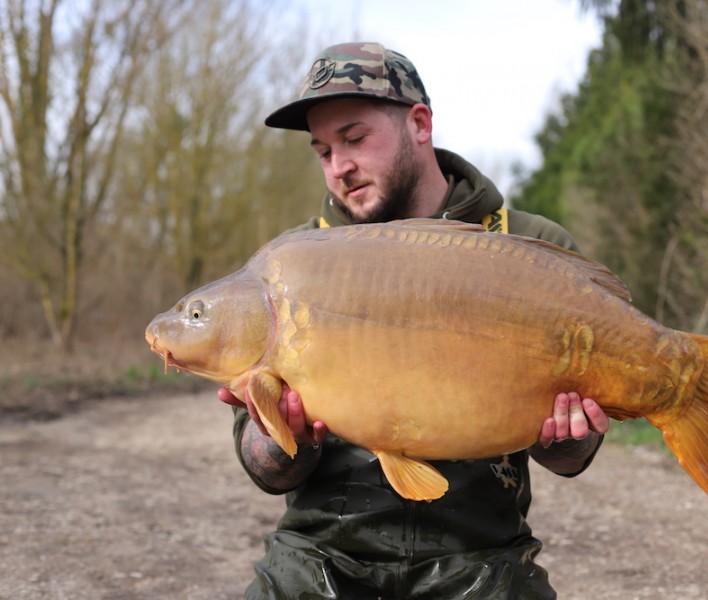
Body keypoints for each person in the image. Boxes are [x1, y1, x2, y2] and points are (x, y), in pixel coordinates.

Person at [218, 41, 610, 599]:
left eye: (354, 138)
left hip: (482, 558)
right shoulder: (289, 269)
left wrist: (565, 436)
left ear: (420, 124)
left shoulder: (530, 247)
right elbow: (264, 470)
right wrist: (285, 437)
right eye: (323, 151)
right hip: (321, 556)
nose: (339, 167)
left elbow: (573, 457)